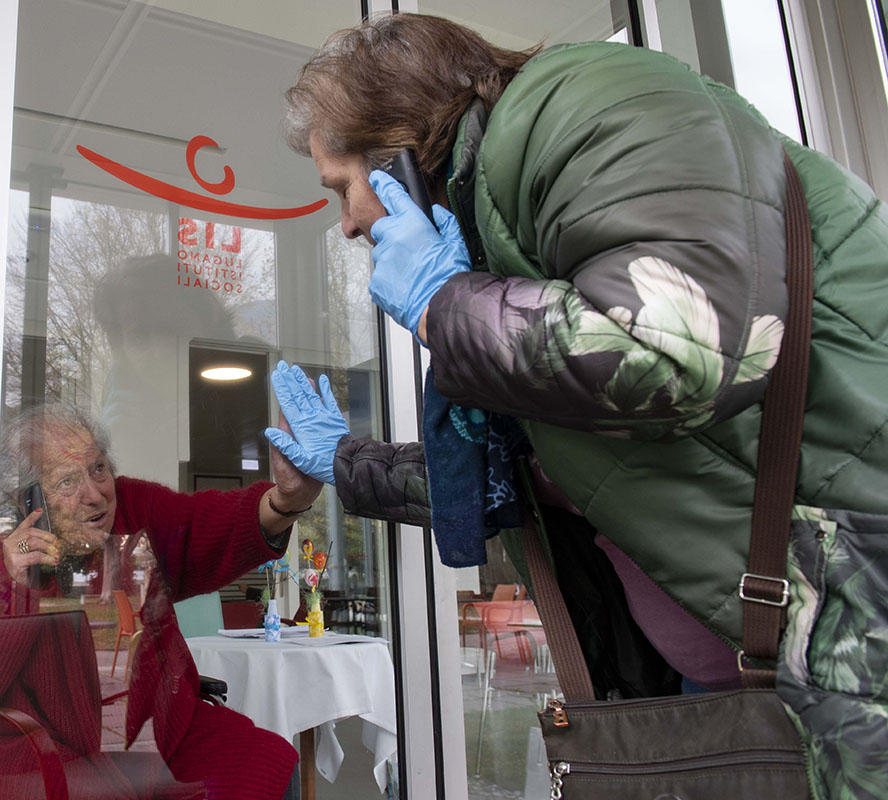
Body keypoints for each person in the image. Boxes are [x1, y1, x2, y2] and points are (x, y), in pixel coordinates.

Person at [267, 12, 888, 798]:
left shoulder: (589, 101)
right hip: (730, 681)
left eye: (342, 187)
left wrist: (444, 307)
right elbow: (518, 480)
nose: (349, 223)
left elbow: (678, 352)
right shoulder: (497, 245)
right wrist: (345, 462)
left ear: (400, 149)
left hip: (851, 656)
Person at [0, 402, 318, 800]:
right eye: (66, 482)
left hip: (160, 730)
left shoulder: (130, 509)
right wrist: (8, 581)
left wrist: (285, 500)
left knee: (268, 761)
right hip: (37, 749)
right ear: (24, 499)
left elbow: (199, 524)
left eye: (98, 469)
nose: (95, 496)